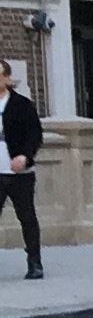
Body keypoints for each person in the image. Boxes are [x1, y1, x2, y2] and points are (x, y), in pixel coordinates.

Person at [0, 61, 40, 280]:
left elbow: (34, 134)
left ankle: (34, 261)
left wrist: (25, 156)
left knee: (26, 216)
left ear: (7, 78)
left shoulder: (21, 105)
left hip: (18, 173)